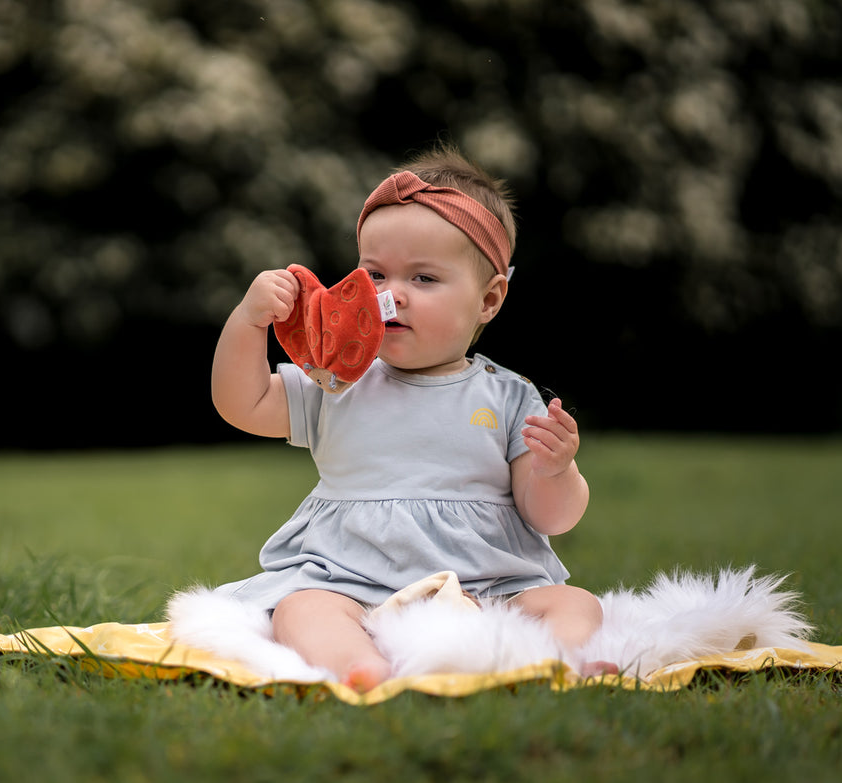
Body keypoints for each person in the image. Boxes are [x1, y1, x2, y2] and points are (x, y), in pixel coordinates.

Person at [209, 143, 612, 693]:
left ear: (489, 300)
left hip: (484, 583)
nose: (390, 295)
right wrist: (249, 321)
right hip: (351, 577)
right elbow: (243, 404)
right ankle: (359, 666)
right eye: (374, 274)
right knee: (301, 609)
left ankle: (556, 660)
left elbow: (551, 518)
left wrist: (556, 470)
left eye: (423, 279)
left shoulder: (509, 397)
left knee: (573, 603)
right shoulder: (337, 378)